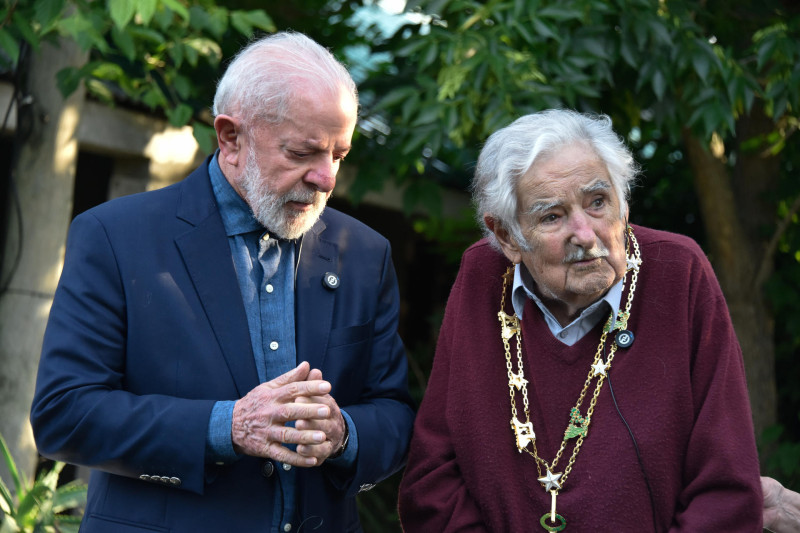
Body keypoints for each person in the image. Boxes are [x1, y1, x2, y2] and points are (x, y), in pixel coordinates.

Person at [30, 31, 415, 533]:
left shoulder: (365, 252)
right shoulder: (115, 237)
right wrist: (226, 427)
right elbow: (65, 414)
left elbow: (395, 415)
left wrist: (345, 434)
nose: (326, 178)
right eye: (303, 153)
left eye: (338, 155)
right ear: (231, 138)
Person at [397, 109, 762, 531]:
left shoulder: (680, 272)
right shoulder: (482, 276)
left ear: (622, 207)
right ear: (507, 237)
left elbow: (726, 491)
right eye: (552, 216)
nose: (585, 234)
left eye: (597, 203)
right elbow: (431, 480)